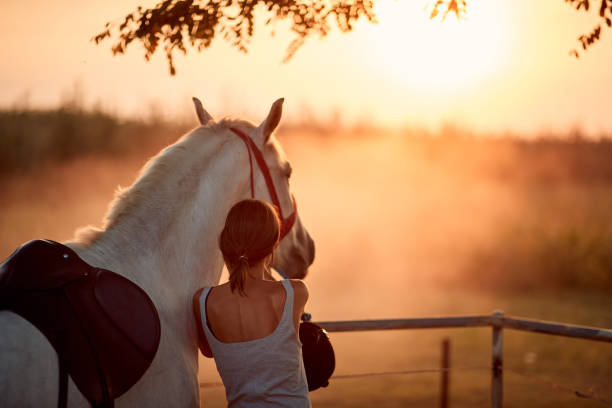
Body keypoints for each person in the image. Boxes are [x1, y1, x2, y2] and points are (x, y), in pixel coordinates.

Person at [193, 199, 311, 407]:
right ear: (273, 245)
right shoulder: (293, 293)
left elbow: (209, 351)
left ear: (224, 243)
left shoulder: (203, 301)